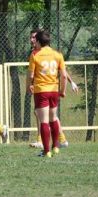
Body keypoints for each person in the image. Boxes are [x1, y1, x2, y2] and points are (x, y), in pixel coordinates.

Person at [28, 29, 79, 149]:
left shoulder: (37, 54)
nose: (32, 40)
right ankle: (50, 141)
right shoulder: (51, 53)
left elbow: (62, 72)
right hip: (51, 89)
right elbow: (62, 72)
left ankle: (57, 141)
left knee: (48, 117)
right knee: (43, 115)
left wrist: (71, 82)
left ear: (40, 40)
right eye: (31, 37)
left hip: (43, 89)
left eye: (34, 37)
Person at [26, 30, 67, 158]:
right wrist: (62, 90)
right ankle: (55, 147)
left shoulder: (35, 55)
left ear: (38, 41)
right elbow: (64, 75)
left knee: (44, 121)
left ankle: (46, 151)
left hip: (41, 91)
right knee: (53, 118)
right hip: (54, 90)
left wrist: (28, 86)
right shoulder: (58, 54)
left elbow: (30, 74)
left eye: (35, 41)